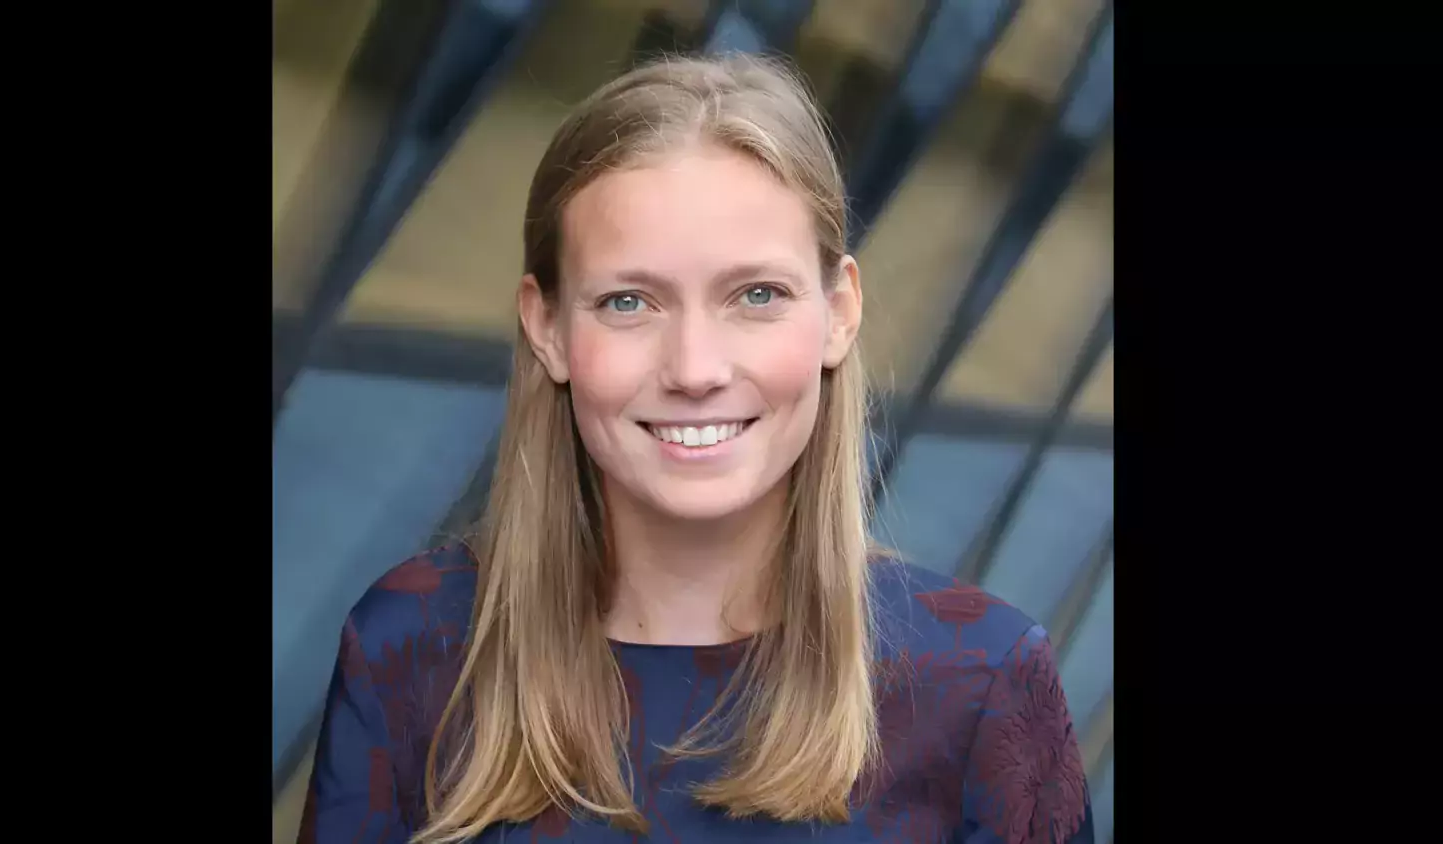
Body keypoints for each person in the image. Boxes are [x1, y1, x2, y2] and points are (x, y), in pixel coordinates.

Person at [298, 54, 1094, 844]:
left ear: (840, 312)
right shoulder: (414, 646)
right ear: (547, 329)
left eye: (757, 295)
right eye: (629, 302)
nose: (694, 370)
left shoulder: (985, 680)